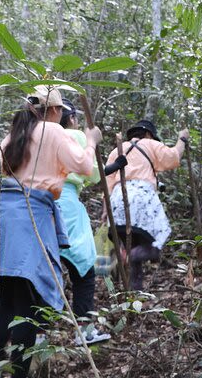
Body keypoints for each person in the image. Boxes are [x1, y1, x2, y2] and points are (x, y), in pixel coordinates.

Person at [0, 86, 101, 377]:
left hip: (5, 213)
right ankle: (18, 372)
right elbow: (84, 165)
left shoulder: (14, 132)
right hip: (33, 215)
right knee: (26, 301)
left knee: (6, 298)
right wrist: (91, 141)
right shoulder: (51, 130)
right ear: (55, 111)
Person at [104, 120, 188, 290]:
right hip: (141, 198)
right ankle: (128, 257)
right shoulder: (150, 144)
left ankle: (133, 293)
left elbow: (107, 182)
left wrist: (105, 209)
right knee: (158, 240)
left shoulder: (117, 150)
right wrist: (182, 139)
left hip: (118, 200)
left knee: (131, 243)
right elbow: (174, 156)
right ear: (149, 135)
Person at [55, 98, 111, 345]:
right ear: (72, 119)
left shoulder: (39, 136)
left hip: (37, 204)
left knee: (45, 269)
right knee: (85, 269)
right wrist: (92, 142)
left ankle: (34, 335)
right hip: (66, 204)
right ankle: (85, 332)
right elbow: (94, 172)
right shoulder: (75, 136)